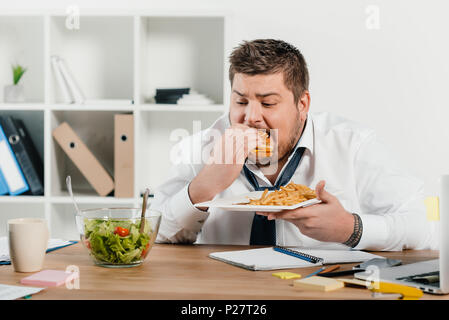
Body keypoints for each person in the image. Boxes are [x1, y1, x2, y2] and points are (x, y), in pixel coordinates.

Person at [151, 39, 434, 251]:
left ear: (302, 104)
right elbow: (151, 234)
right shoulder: (205, 145)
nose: (250, 117)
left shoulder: (352, 145)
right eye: (240, 101)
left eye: (267, 103)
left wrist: (351, 228)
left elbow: (421, 229)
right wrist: (202, 188)